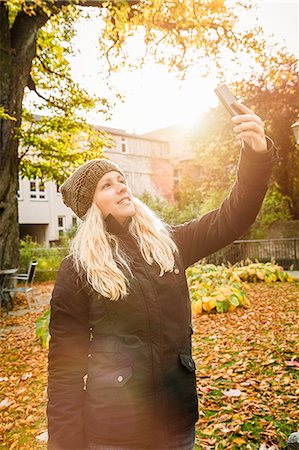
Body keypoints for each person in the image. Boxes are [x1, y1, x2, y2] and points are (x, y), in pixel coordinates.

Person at [47, 103, 277, 450]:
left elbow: (233, 217)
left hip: (176, 424)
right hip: (114, 434)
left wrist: (256, 155)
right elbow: (65, 368)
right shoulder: (78, 269)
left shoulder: (169, 244)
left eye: (122, 180)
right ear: (90, 206)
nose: (122, 187)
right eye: (107, 185)